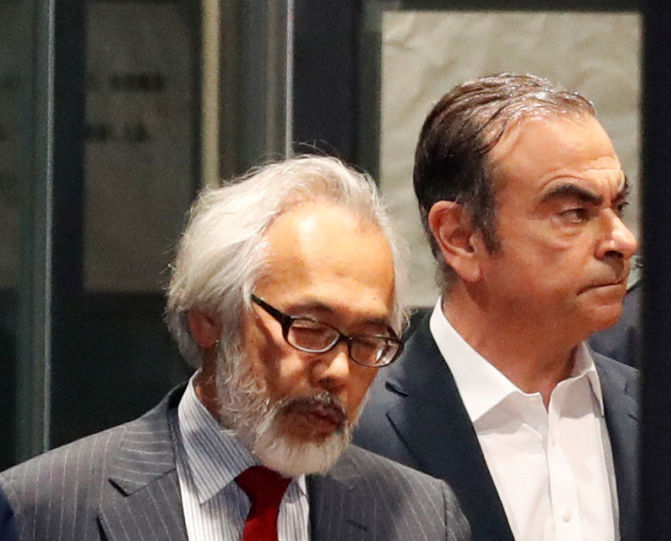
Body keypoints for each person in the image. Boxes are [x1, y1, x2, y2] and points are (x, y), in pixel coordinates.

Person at [0, 156, 469, 541]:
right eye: (310, 328)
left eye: (368, 340)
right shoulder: (45, 510)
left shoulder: (421, 520)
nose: (339, 371)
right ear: (210, 316)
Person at [355, 73, 640, 541]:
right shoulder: (354, 436)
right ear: (460, 237)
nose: (622, 241)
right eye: (574, 213)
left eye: (618, 207)